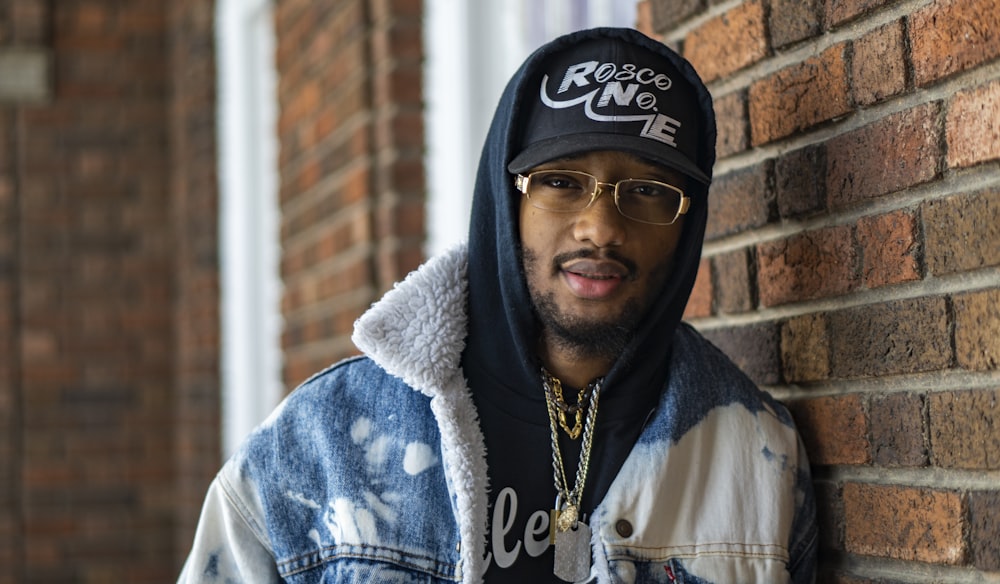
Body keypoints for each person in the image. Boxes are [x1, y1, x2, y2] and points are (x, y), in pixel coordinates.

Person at [179, 27, 817, 583]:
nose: (600, 226)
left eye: (649, 191)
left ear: (687, 224)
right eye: (561, 182)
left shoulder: (758, 454)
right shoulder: (319, 446)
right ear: (503, 200)